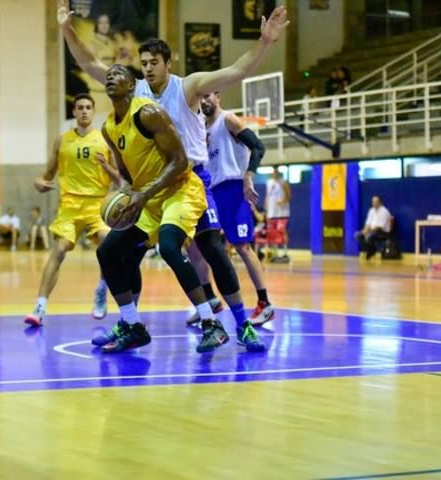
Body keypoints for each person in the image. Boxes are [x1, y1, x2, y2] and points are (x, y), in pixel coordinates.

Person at [58, 0, 288, 328]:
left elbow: (236, 71)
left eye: (155, 62)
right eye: (144, 62)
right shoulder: (134, 90)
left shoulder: (188, 86)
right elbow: (90, 62)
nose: (148, 67)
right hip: (151, 190)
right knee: (122, 252)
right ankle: (131, 323)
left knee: (210, 247)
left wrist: (265, 41)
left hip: (190, 178)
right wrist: (67, 29)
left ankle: (241, 320)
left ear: (169, 62)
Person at [95, 65, 264, 353]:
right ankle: (132, 324)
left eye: (118, 73)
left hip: (183, 188)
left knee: (180, 247)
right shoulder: (109, 126)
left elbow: (180, 162)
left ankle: (218, 323)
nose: (111, 77)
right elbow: (129, 173)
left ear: (132, 85)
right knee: (109, 251)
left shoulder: (149, 112)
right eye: (108, 74)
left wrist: (143, 193)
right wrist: (128, 195)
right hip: (151, 199)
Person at [24, 93, 119, 327]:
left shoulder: (105, 140)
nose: (84, 111)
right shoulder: (61, 140)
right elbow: (47, 175)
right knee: (58, 251)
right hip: (70, 205)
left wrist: (107, 167)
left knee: (109, 248)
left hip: (97, 204)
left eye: (88, 107)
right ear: (74, 112)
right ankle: (40, 307)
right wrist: (39, 183)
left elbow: (119, 179)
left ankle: (101, 292)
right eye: (80, 107)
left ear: (93, 112)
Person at [198, 91, 274, 325]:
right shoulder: (201, 129)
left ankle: (264, 302)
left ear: (218, 96)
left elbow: (258, 147)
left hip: (233, 189)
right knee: (198, 246)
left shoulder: (229, 120)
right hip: (211, 192)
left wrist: (248, 176)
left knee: (242, 247)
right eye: (199, 97)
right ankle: (209, 299)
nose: (204, 101)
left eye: (208, 95)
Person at [265, 166, 292, 261]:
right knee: (273, 233)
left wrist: (283, 201)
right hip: (272, 213)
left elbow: (289, 195)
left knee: (282, 231)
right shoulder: (269, 183)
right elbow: (267, 197)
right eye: (273, 171)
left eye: (276, 171)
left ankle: (285, 252)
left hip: (282, 213)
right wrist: (267, 211)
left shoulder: (283, 182)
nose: (275, 173)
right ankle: (274, 253)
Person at [356, 196, 392, 260]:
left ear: (380, 203)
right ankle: (372, 250)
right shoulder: (371, 210)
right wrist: (364, 231)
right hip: (373, 231)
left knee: (370, 235)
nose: (373, 203)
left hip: (383, 232)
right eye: (372, 202)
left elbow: (379, 227)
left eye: (376, 202)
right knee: (358, 235)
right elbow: (368, 224)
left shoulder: (384, 212)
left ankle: (370, 251)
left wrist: (368, 232)